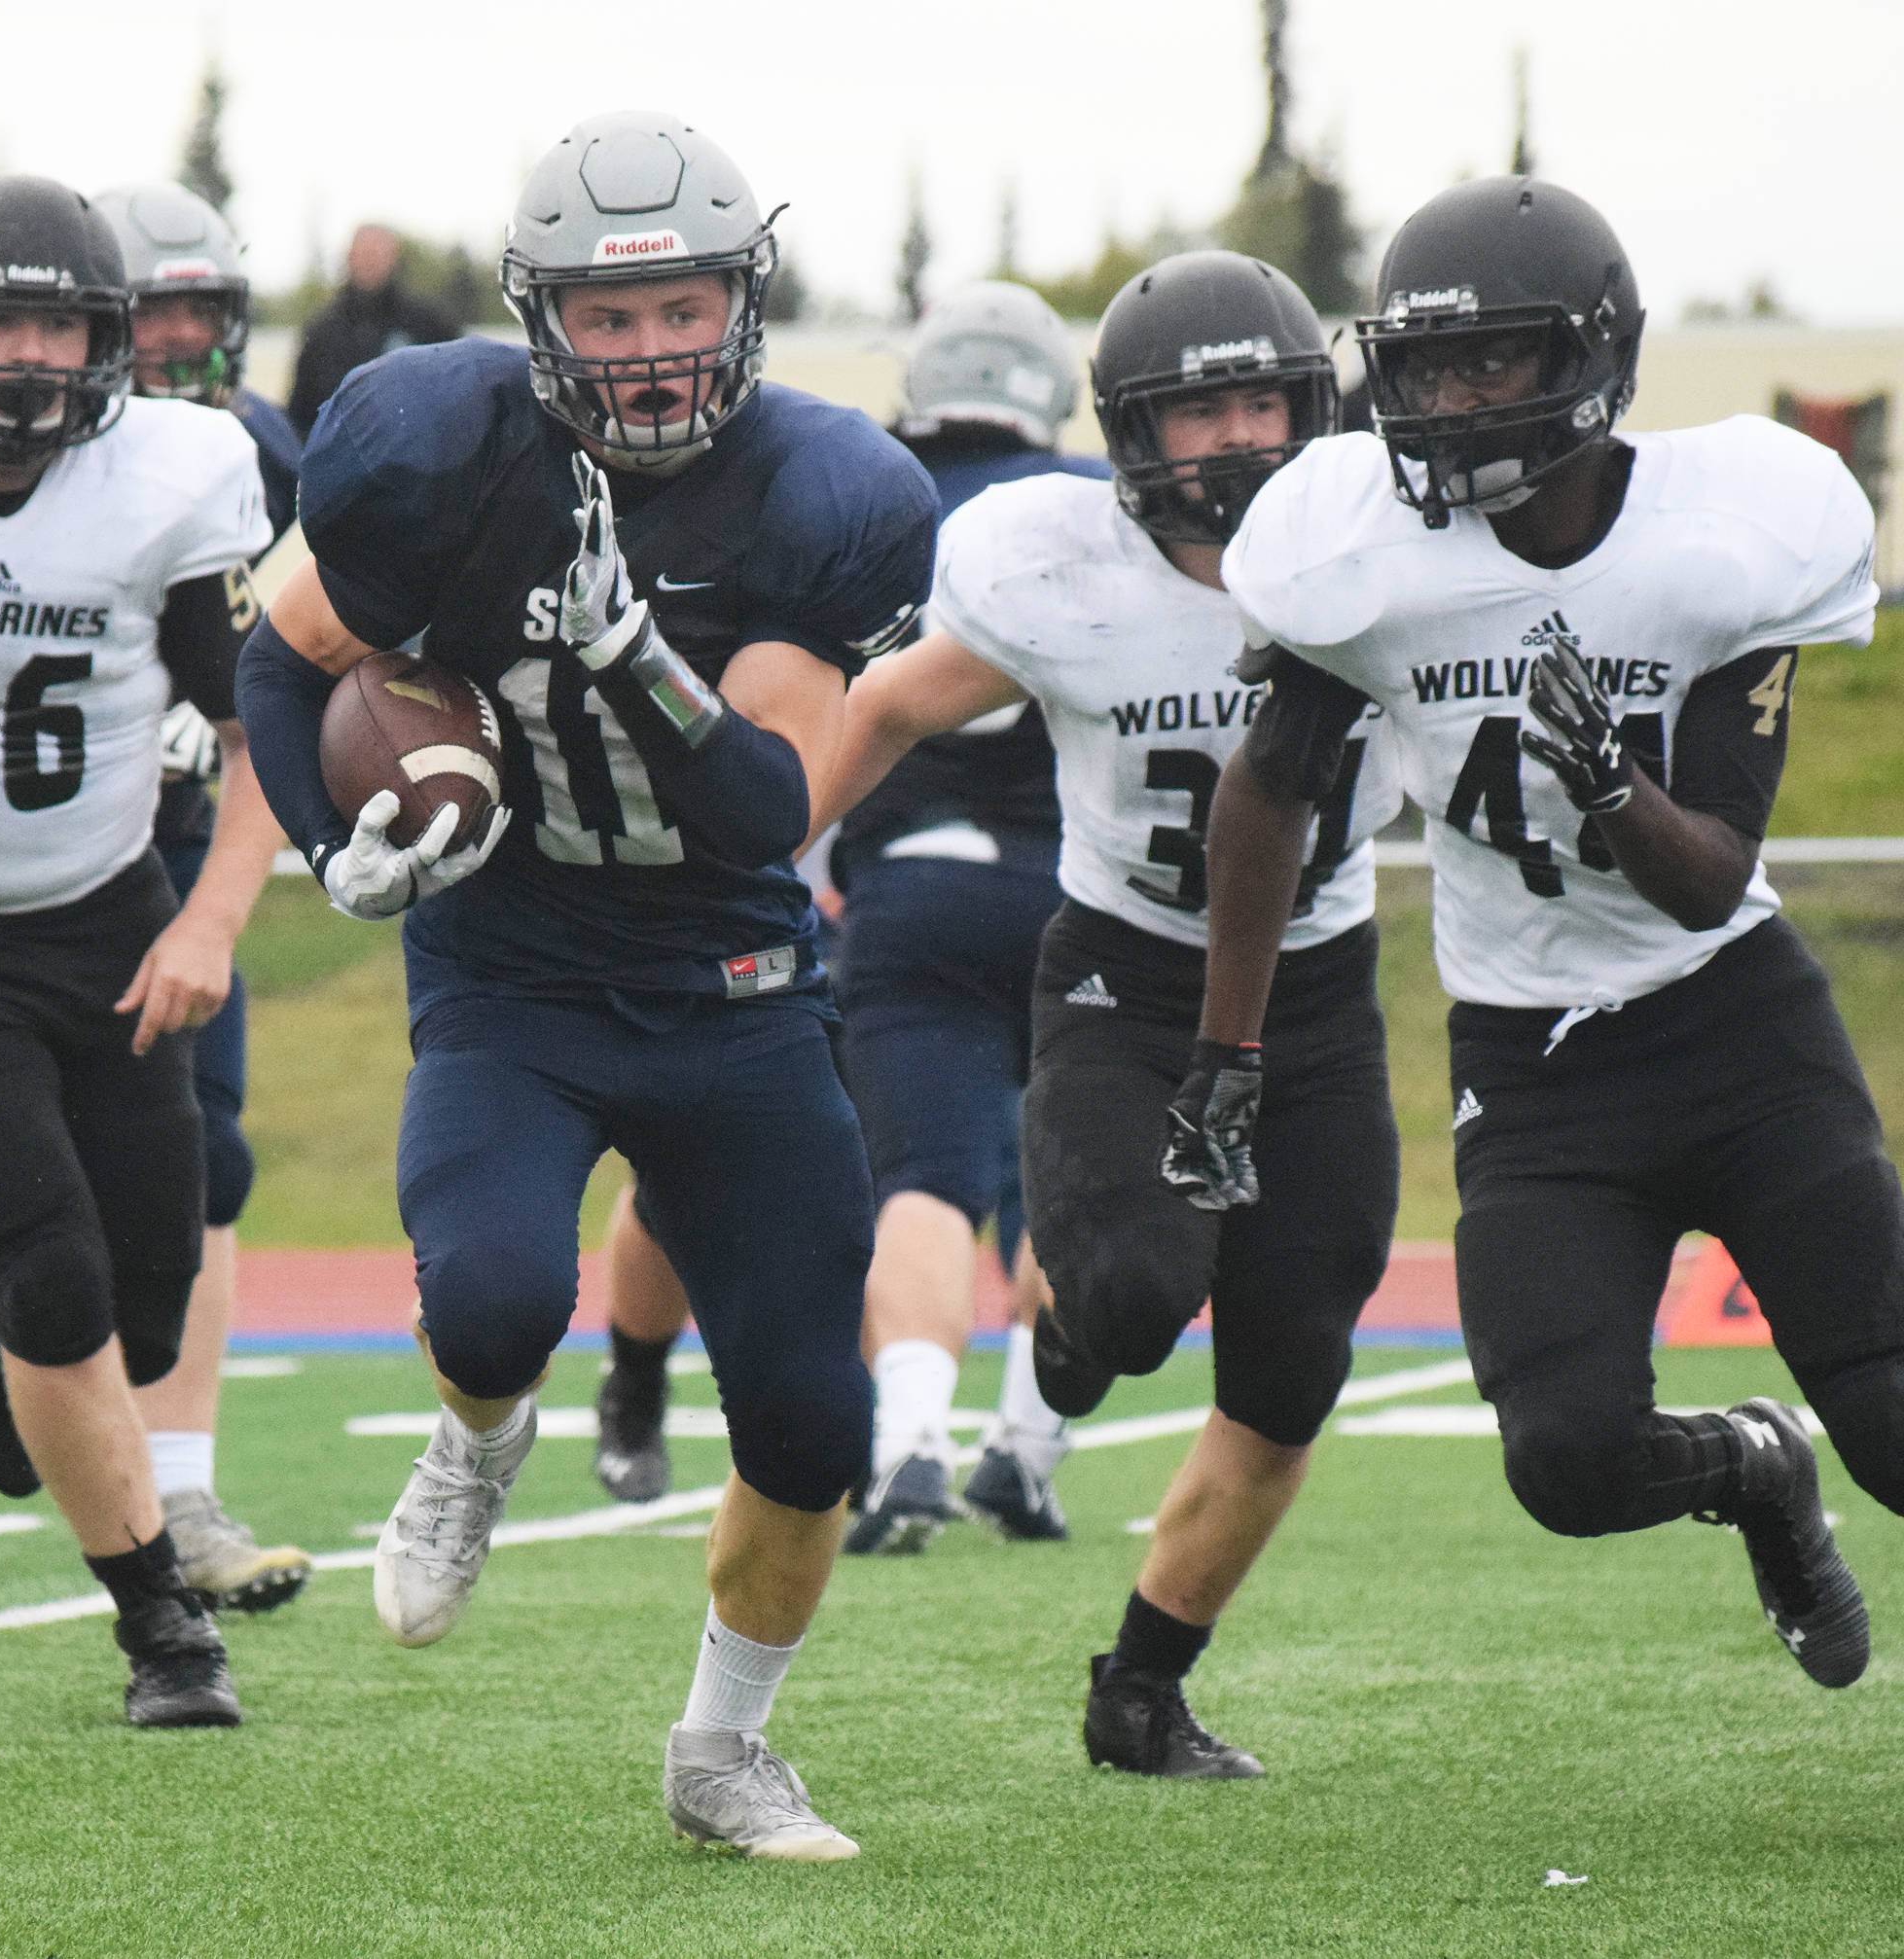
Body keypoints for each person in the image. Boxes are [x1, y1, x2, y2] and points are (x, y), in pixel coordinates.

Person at [235, 112, 937, 1858]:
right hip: (515, 969)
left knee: (808, 1403)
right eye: (607, 319)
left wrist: (631, 644)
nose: (648, 350)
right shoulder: (445, 449)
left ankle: (725, 1746)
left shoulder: (822, 488)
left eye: (679, 307)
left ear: (742, 302)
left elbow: (770, 802)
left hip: (733, 974)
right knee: (487, 1296)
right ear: (541, 321)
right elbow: (275, 650)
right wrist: (335, 844)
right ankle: (473, 1448)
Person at [1178, 175, 1902, 1691]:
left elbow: (1706, 875)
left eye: (1490, 359)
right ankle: (1756, 1469)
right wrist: (1226, 1044)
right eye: (1425, 366)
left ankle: (1827, 1440)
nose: (1448, 399)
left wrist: (1609, 783)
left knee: (1894, 1420)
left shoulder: (1727, 535)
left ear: (1596, 354)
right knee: (1566, 1461)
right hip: (1536, 1064)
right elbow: (1272, 793)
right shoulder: (1355, 547)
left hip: (1734, 1022)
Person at [810, 252, 1404, 1771]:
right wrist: (774, 864)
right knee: (1133, 1298)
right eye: (1197, 413)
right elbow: (882, 706)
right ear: (1133, 436)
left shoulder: (1390, 554)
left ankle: (1139, 1685)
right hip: (1123, 977)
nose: (1237, 441)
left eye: (1262, 401)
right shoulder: (1055, 562)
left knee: (1292, 1373)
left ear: (1314, 404)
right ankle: (1067, 1326)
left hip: (1317, 994)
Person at [590, 283, 1108, 1549]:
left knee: (894, 1175)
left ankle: (879, 1429)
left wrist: (770, 850)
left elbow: (778, 711)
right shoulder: (1104, 512)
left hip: (887, 886)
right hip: (1079, 896)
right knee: (1074, 1185)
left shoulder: (857, 489)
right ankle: (1028, 1446)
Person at [0, 175, 278, 1727]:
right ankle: (163, 1631)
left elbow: (260, 724)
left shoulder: (178, 470)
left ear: (107, 338)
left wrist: (212, 913)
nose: (22, 355)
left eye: (54, 321)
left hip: (107, 911)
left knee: (145, 1301)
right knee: (58, 1270)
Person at [94, 180, 311, 1614]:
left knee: (206, 1158)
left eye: (199, 308)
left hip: (176, 847)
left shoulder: (260, 455)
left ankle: (180, 1487)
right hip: (17, 858)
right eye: (150, 309)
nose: (179, 337)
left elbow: (293, 641)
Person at [284, 223, 454, 440]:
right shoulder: (321, 332)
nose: (369, 261)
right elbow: (299, 413)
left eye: (377, 253)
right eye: (362, 253)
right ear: (349, 258)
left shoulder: (429, 323)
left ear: (394, 257)